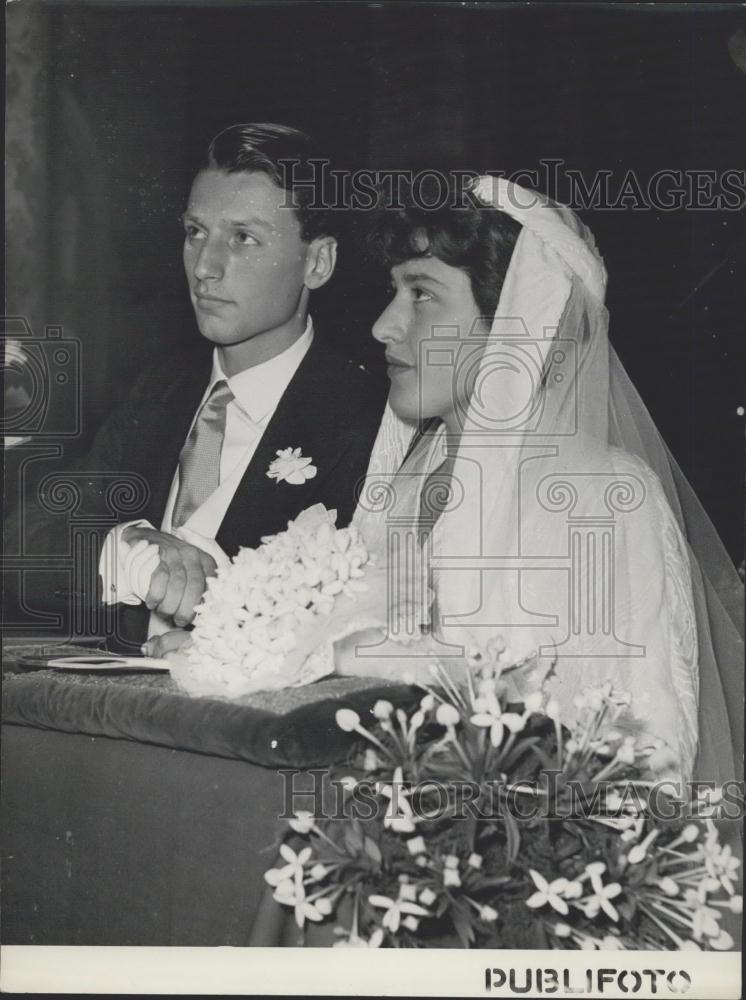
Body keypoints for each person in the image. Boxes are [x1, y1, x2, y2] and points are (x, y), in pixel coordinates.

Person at [327, 173, 743, 789]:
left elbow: (651, 763)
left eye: (421, 295)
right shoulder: (402, 483)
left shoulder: (602, 499)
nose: (384, 326)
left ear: (516, 324)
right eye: (394, 292)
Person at [7, 123, 388, 651]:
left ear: (317, 263)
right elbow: (22, 541)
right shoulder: (158, 392)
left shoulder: (369, 418)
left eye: (243, 238)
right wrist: (124, 551)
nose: (205, 267)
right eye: (195, 232)